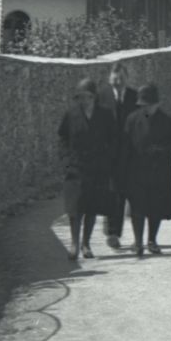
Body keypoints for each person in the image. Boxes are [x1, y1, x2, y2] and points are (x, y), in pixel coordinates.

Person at [56, 77, 118, 265]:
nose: (85, 101)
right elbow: (62, 138)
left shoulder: (105, 115)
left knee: (91, 207)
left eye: (88, 97)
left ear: (94, 97)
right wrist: (66, 160)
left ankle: (86, 244)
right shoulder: (71, 114)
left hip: (97, 167)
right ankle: (74, 244)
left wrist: (108, 160)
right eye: (81, 97)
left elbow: (114, 139)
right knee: (75, 208)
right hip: (76, 167)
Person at [121, 82, 171, 255]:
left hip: (159, 170)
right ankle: (138, 242)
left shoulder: (168, 121)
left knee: (155, 207)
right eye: (142, 105)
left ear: (157, 104)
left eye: (148, 105)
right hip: (136, 170)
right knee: (137, 207)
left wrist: (162, 150)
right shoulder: (132, 119)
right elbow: (125, 145)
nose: (145, 108)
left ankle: (152, 240)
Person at [101, 63, 140, 249]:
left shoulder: (134, 97)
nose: (118, 82)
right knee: (112, 195)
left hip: (130, 155)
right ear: (110, 79)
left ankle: (138, 238)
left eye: (121, 78)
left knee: (130, 195)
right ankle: (113, 233)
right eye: (115, 78)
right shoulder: (103, 96)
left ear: (127, 79)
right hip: (109, 156)